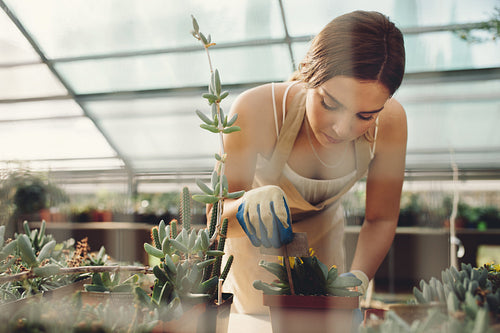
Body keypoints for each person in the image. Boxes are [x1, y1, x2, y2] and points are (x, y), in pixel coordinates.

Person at [210, 10, 407, 314]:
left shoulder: (391, 122)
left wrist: (359, 277)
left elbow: (380, 218)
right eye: (330, 103)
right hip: (253, 246)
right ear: (307, 73)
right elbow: (216, 218)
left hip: (324, 240)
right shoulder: (258, 109)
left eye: (365, 115)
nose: (342, 129)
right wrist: (246, 205)